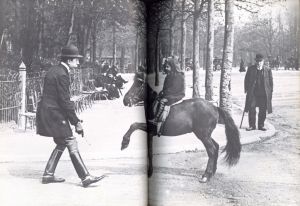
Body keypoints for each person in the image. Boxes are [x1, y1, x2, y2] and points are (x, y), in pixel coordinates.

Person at [36, 44, 104, 187]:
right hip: (54, 113)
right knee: (70, 140)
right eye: (76, 60)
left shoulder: (55, 70)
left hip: (49, 111)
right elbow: (65, 101)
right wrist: (76, 122)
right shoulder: (62, 74)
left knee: (62, 142)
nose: (78, 63)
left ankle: (48, 174)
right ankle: (85, 177)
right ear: (68, 61)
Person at [149, 56, 185, 136]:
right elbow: (166, 88)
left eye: (168, 67)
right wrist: (161, 92)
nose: (166, 68)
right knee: (156, 99)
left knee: (163, 101)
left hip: (177, 94)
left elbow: (175, 88)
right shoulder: (169, 75)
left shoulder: (178, 76)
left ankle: (156, 119)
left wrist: (164, 93)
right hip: (170, 93)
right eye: (165, 67)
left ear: (172, 67)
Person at [244, 53, 273, 131]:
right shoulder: (251, 69)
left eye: (260, 61)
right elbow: (246, 79)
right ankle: (252, 126)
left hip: (263, 94)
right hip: (253, 93)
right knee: (251, 108)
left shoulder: (268, 70)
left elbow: (271, 82)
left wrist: (270, 91)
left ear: (263, 61)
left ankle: (261, 125)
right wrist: (246, 89)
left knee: (263, 110)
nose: (259, 63)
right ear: (255, 61)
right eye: (257, 61)